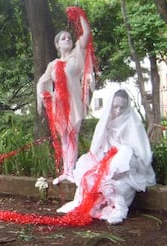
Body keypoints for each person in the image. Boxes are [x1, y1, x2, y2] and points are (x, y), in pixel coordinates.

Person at [56, 89, 156, 224]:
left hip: (126, 165)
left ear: (127, 107)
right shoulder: (106, 122)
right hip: (106, 160)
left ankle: (114, 208)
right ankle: (93, 205)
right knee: (91, 177)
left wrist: (122, 159)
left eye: (122, 107)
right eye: (115, 107)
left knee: (118, 184)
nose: (118, 111)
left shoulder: (134, 124)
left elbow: (140, 152)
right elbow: (99, 146)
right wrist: (103, 158)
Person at [37, 6, 96, 185]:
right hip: (59, 104)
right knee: (64, 138)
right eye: (63, 38)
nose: (67, 39)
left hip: (74, 102)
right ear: (57, 45)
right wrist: (44, 96)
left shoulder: (77, 54)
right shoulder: (53, 64)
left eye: (69, 37)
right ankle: (66, 171)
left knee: (73, 136)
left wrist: (80, 15)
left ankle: (71, 171)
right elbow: (43, 82)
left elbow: (86, 34)